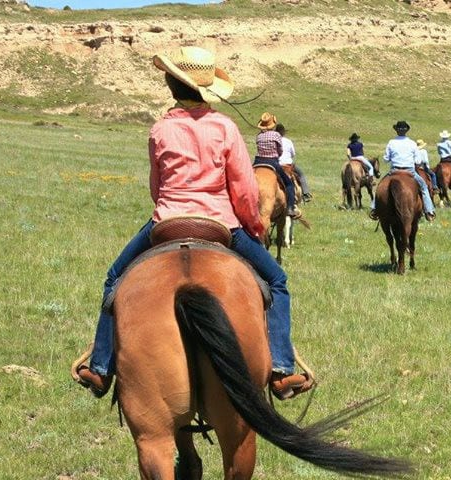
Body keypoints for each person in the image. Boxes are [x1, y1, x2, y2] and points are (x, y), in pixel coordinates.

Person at [73, 46, 311, 401]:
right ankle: (280, 369)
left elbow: (157, 187)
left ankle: (101, 368)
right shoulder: (225, 128)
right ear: (207, 89)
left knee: (115, 278)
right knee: (276, 280)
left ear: (171, 85)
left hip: (167, 221)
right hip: (221, 225)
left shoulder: (159, 129)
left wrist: (171, 205)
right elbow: (244, 191)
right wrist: (253, 227)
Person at [369, 121, 436, 221]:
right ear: (407, 130)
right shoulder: (412, 143)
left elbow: (386, 159)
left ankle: (375, 209)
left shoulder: (391, 142)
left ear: (396, 130)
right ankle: (429, 211)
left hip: (394, 171)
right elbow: (418, 161)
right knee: (424, 187)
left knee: (380, 186)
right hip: (410, 172)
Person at [255, 112, 298, 216]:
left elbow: (258, 148)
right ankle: (290, 208)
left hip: (257, 162)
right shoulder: (276, 135)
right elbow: (280, 150)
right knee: (288, 184)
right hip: (272, 162)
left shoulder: (259, 136)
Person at [276, 123, 313, 203]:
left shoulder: (274, 141)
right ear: (283, 132)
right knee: (301, 174)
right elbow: (293, 154)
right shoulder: (288, 141)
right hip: (288, 164)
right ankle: (306, 193)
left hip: (277, 164)